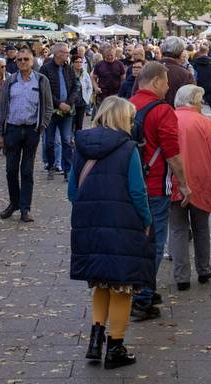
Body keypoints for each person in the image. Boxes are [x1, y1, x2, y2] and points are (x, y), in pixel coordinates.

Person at [70, 97, 155, 370]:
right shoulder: (128, 148)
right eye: (130, 119)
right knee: (122, 286)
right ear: (121, 119)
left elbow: (73, 191)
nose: (133, 124)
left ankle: (95, 340)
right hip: (122, 223)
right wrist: (146, 220)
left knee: (101, 282)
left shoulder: (80, 145)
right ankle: (115, 346)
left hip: (90, 223)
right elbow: (138, 191)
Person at [128, 62, 190, 321]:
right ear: (155, 82)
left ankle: (144, 288)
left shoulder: (127, 105)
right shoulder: (162, 110)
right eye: (165, 82)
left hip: (131, 183)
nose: (168, 87)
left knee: (138, 240)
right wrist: (185, 184)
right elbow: (172, 154)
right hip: (154, 185)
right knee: (154, 243)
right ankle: (142, 297)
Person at [168, 85, 211, 291]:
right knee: (201, 227)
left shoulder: (169, 119)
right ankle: (203, 268)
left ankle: (181, 275)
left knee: (177, 228)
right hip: (202, 181)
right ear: (195, 101)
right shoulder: (205, 123)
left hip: (174, 180)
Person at [0, 48, 53, 222]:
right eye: (19, 60)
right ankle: (14, 203)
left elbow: (48, 107)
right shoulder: (11, 81)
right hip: (12, 129)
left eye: (25, 59)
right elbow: (2, 107)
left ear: (32, 60)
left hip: (31, 130)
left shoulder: (41, 81)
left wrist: (41, 127)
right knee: (10, 170)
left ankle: (25, 208)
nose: (22, 62)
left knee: (27, 171)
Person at [40, 43, 78, 180]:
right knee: (49, 141)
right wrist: (58, 103)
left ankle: (67, 170)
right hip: (51, 111)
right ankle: (51, 166)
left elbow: (75, 87)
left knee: (67, 141)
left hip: (67, 111)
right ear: (57, 53)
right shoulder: (45, 69)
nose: (68, 55)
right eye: (66, 52)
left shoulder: (69, 69)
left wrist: (68, 103)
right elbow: (45, 90)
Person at [159, 37, 196, 106]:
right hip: (175, 115)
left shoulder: (146, 69)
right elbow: (192, 103)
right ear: (181, 53)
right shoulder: (185, 74)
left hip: (148, 115)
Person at [71, 52, 92, 132]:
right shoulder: (69, 73)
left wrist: (87, 97)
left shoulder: (84, 73)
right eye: (77, 62)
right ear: (73, 63)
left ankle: (77, 139)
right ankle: (70, 140)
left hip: (81, 102)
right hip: (71, 102)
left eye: (80, 62)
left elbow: (89, 87)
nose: (79, 64)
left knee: (79, 123)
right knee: (71, 123)